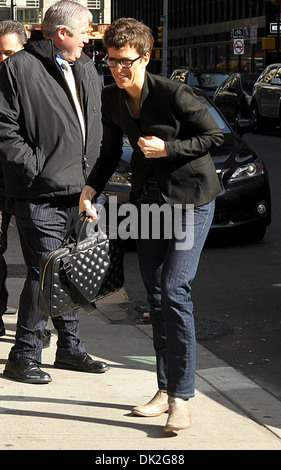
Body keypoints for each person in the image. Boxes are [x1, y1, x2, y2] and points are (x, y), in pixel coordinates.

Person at [79, 18, 224, 432]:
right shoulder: (111, 97)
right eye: (111, 60)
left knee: (175, 289)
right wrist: (90, 188)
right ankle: (164, 388)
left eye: (125, 61)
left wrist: (169, 148)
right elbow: (109, 152)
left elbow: (215, 137)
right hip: (147, 201)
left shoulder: (174, 93)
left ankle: (182, 397)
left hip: (192, 200)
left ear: (145, 57)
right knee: (156, 295)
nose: (117, 69)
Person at [0, 1, 109, 384]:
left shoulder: (86, 68)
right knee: (44, 271)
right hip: (39, 193)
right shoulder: (19, 68)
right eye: (85, 30)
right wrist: (35, 168)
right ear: (62, 33)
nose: (88, 37)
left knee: (70, 269)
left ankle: (70, 349)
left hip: (80, 193)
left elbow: (97, 123)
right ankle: (24, 354)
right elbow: (3, 128)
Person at [0, 20, 28, 338]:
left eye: (9, 53)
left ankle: (32, 327)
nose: (3, 60)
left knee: (41, 258)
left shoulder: (35, 83)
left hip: (26, 181)